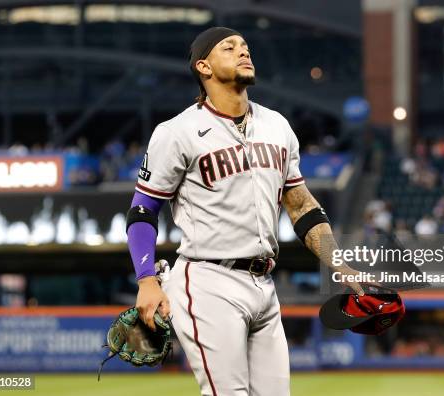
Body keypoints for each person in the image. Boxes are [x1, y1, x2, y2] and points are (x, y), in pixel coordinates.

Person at [125, 27, 364, 396]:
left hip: (264, 284)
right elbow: (143, 210)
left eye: (246, 47)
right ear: (203, 66)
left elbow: (300, 205)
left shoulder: (277, 126)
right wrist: (146, 279)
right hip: (207, 280)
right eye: (230, 47)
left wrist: (339, 263)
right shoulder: (177, 132)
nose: (243, 52)